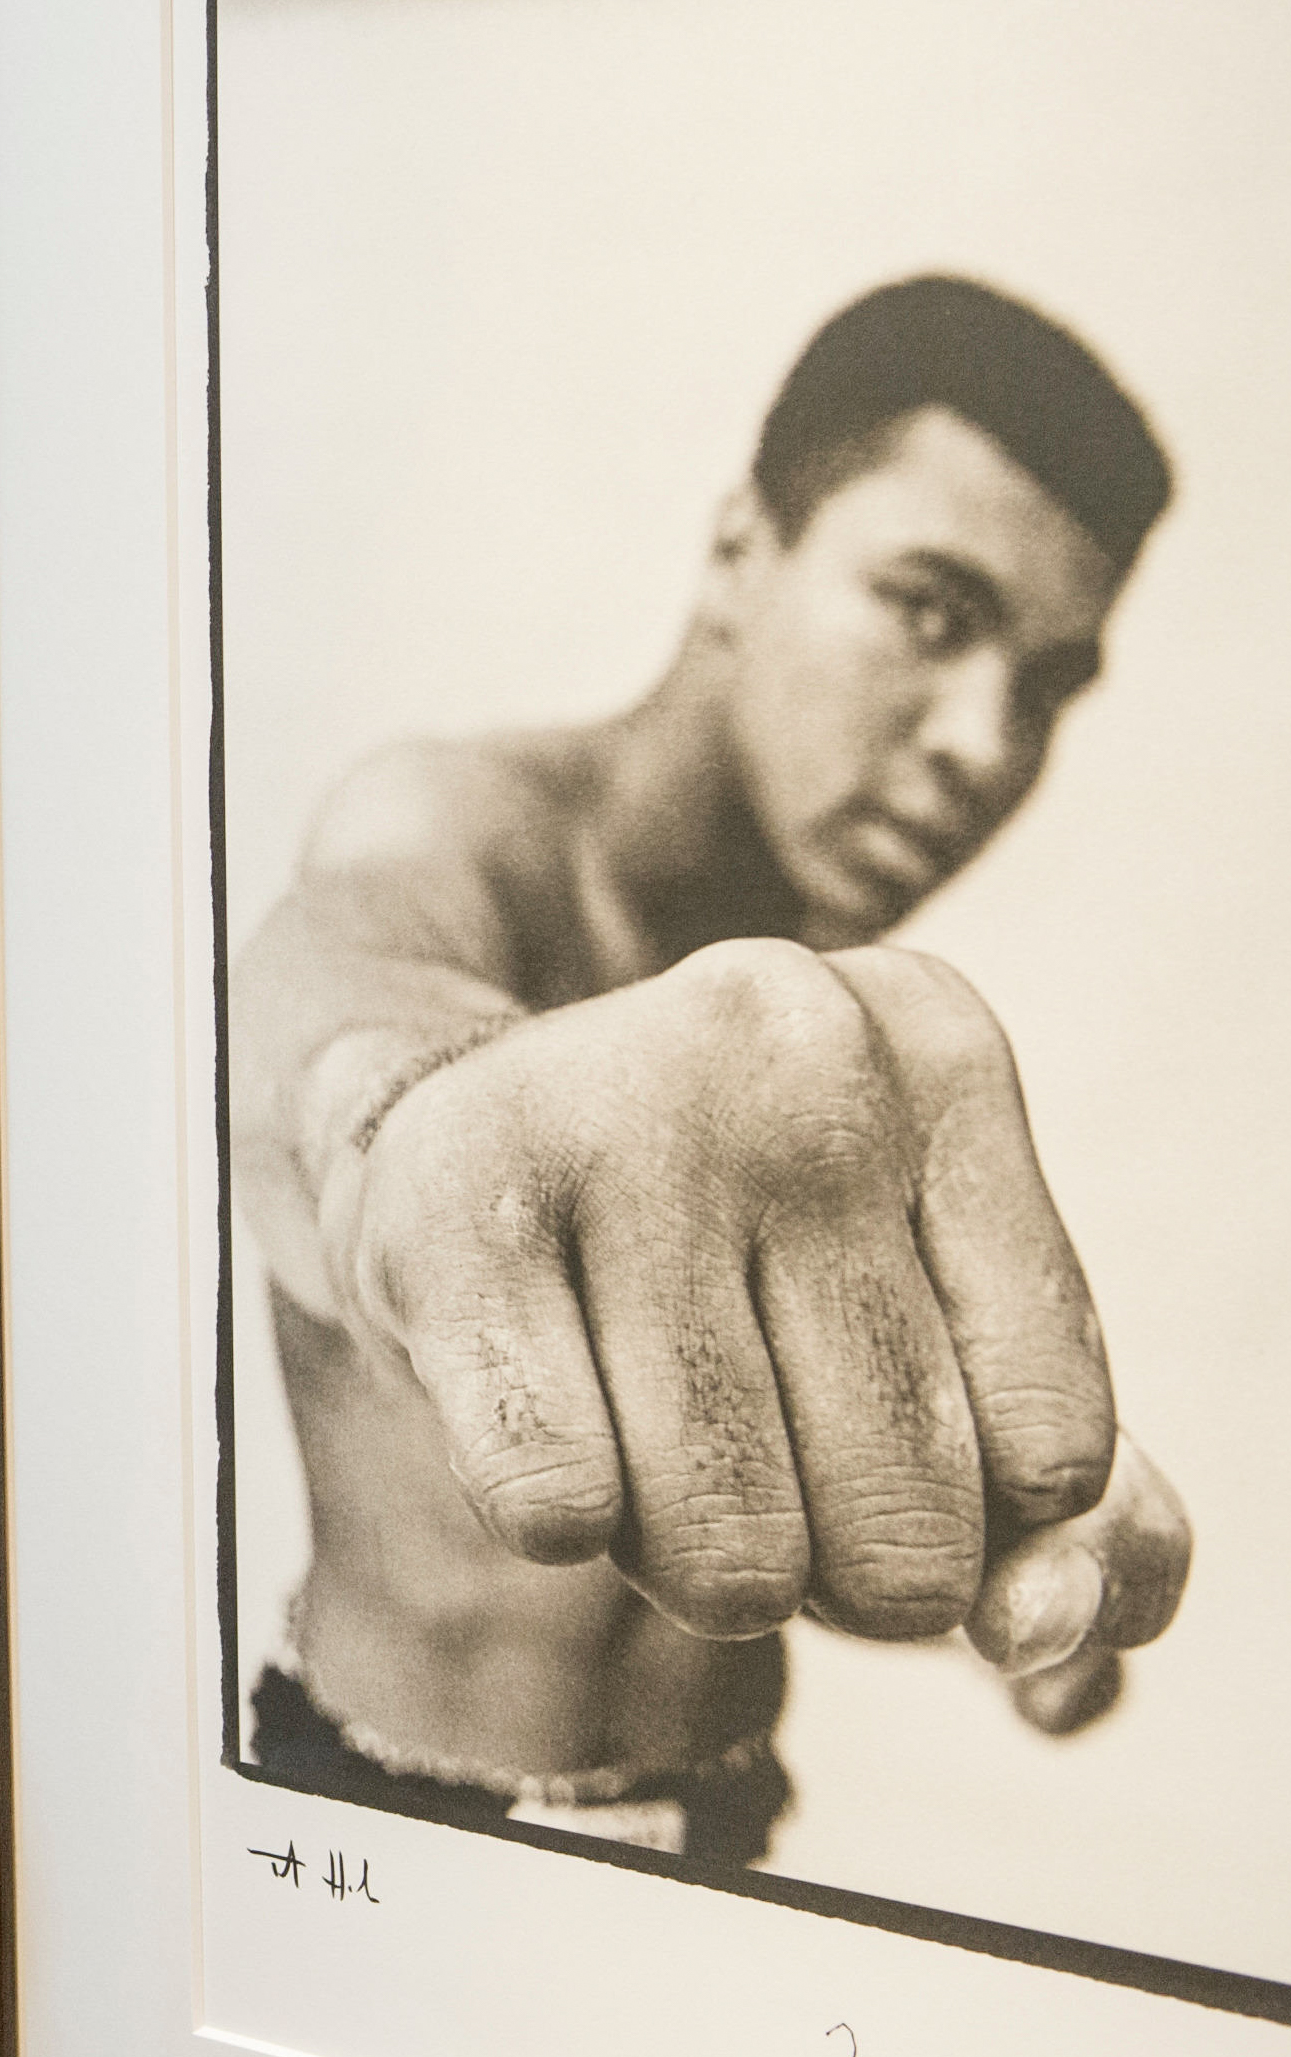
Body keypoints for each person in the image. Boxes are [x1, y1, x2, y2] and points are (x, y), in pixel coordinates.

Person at [231, 276, 1196, 1864]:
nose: (982, 742)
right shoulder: (462, 832)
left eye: (1043, 685)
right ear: (740, 552)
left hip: (727, 1819)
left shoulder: (818, 1035)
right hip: (390, 1817)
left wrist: (1015, 1537)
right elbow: (325, 995)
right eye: (933, 614)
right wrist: (408, 1128)